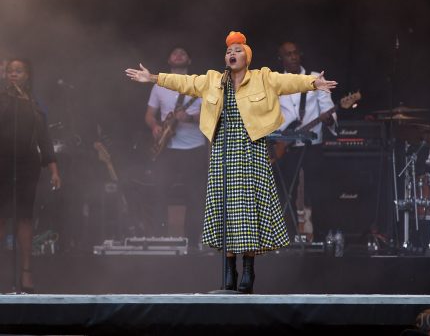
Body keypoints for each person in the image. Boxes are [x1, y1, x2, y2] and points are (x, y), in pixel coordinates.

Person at [126, 31, 337, 294]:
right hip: (224, 150)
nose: (231, 54)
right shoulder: (214, 81)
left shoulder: (262, 78)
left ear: (246, 56)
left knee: (247, 210)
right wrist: (153, 78)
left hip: (252, 149)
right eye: (228, 52)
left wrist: (314, 84)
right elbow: (185, 82)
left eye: (237, 50)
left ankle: (248, 267)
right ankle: (229, 268)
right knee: (225, 211)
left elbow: (289, 82)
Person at [0, 58, 61, 293]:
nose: (13, 74)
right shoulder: (2, 99)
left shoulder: (35, 104)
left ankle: (26, 272)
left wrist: (53, 168)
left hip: (28, 165)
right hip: (2, 162)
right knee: (2, 216)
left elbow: (44, 139)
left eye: (18, 71)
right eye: (10, 71)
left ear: (26, 75)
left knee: (24, 217)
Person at [143, 47, 207, 248]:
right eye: (174, 52)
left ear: (189, 60)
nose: (178, 54)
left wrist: (189, 117)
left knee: (195, 197)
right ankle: (159, 240)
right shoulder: (159, 86)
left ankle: (192, 243)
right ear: (168, 59)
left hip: (194, 149)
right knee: (159, 193)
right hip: (167, 149)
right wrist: (154, 127)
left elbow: (212, 117)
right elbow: (149, 115)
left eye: (183, 53)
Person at [273, 41, 337, 241]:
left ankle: (321, 238)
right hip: (286, 146)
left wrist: (329, 119)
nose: (292, 57)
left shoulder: (316, 78)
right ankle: (287, 238)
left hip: (312, 146)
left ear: (300, 55)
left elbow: (327, 106)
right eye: (288, 54)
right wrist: (277, 138)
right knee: (284, 194)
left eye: (295, 53)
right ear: (281, 58)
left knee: (317, 193)